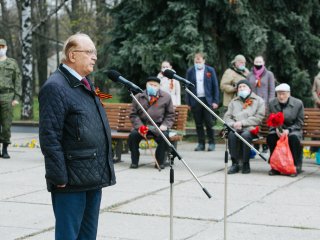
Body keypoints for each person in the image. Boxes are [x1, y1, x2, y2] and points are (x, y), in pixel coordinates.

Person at [38, 33, 116, 239]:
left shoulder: (87, 85)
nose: (94, 57)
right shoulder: (55, 87)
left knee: (88, 236)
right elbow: (49, 136)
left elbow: (95, 117)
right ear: (72, 55)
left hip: (93, 175)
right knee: (69, 235)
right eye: (89, 52)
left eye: (95, 52)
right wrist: (59, 177)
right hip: (70, 181)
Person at [128, 76, 175, 169]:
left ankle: (159, 162)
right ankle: (134, 161)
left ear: (159, 86)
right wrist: (140, 126)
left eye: (155, 85)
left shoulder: (166, 97)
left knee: (164, 136)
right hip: (142, 126)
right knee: (133, 136)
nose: (152, 86)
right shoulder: (138, 96)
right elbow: (133, 114)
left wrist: (165, 125)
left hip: (157, 126)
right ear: (146, 85)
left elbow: (170, 114)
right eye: (150, 84)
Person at [224, 80, 265, 174]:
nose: (242, 88)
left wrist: (242, 123)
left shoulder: (258, 100)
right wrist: (233, 124)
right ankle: (235, 163)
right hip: (236, 128)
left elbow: (259, 118)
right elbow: (227, 117)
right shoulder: (233, 102)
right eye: (240, 87)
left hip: (252, 129)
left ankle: (245, 163)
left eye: (244, 86)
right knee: (231, 135)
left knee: (246, 135)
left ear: (249, 88)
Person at [267, 83, 304, 177]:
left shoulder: (298, 103)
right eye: (279, 94)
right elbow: (270, 119)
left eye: (283, 93)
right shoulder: (272, 103)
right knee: (271, 137)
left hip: (293, 129)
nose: (281, 96)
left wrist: (288, 130)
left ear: (289, 94)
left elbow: (299, 123)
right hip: (278, 129)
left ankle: (296, 165)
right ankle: (275, 167)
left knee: (293, 138)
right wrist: (276, 129)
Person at [185, 52, 219, 151]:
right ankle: (201, 143)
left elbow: (215, 86)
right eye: (196, 60)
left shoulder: (210, 70)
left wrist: (215, 101)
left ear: (204, 61)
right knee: (198, 123)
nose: (198, 62)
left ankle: (211, 143)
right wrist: (188, 103)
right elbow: (187, 87)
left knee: (209, 123)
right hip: (195, 100)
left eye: (199, 60)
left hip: (207, 100)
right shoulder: (190, 71)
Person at [247, 56, 276, 153]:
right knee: (254, 124)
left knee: (264, 124)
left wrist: (270, 103)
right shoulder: (250, 75)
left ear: (263, 62)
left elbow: (271, 90)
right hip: (252, 103)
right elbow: (248, 89)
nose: (258, 63)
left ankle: (265, 145)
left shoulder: (269, 74)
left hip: (264, 103)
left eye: (260, 61)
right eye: (256, 61)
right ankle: (256, 144)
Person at [0, 38, 22, 158]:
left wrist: (16, 97)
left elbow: (17, 80)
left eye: (2, 47)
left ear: (6, 48)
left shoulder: (12, 63)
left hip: (7, 96)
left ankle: (5, 148)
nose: (0, 49)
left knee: (6, 124)